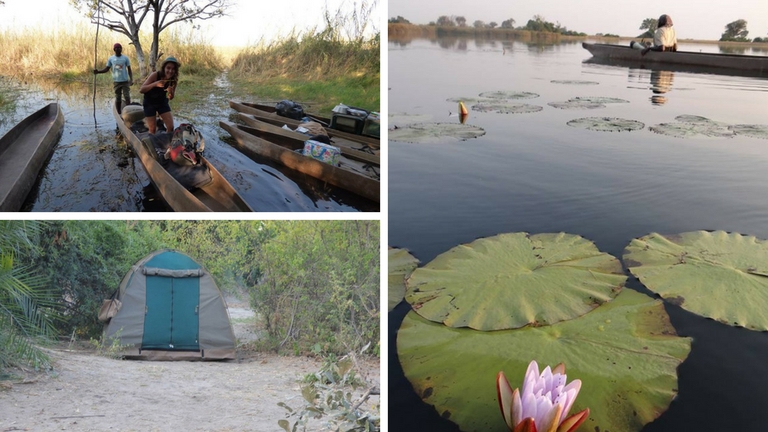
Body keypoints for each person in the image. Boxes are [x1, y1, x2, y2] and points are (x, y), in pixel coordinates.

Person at [139, 56, 180, 134]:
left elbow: (170, 97)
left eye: (173, 69)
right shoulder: (155, 75)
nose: (170, 71)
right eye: (168, 68)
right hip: (149, 103)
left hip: (162, 103)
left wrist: (171, 92)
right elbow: (142, 89)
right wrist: (155, 84)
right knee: (152, 130)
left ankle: (167, 143)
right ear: (164, 68)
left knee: (170, 127)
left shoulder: (173, 81)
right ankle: (152, 144)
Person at [93, 43, 133, 114]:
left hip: (125, 81)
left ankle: (129, 112)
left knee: (127, 96)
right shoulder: (111, 59)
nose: (118, 49)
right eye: (116, 48)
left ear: (121, 49)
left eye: (119, 48)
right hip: (116, 82)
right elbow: (106, 69)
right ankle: (119, 112)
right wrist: (98, 72)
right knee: (118, 97)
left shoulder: (125, 58)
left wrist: (131, 80)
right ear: (114, 49)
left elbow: (129, 69)